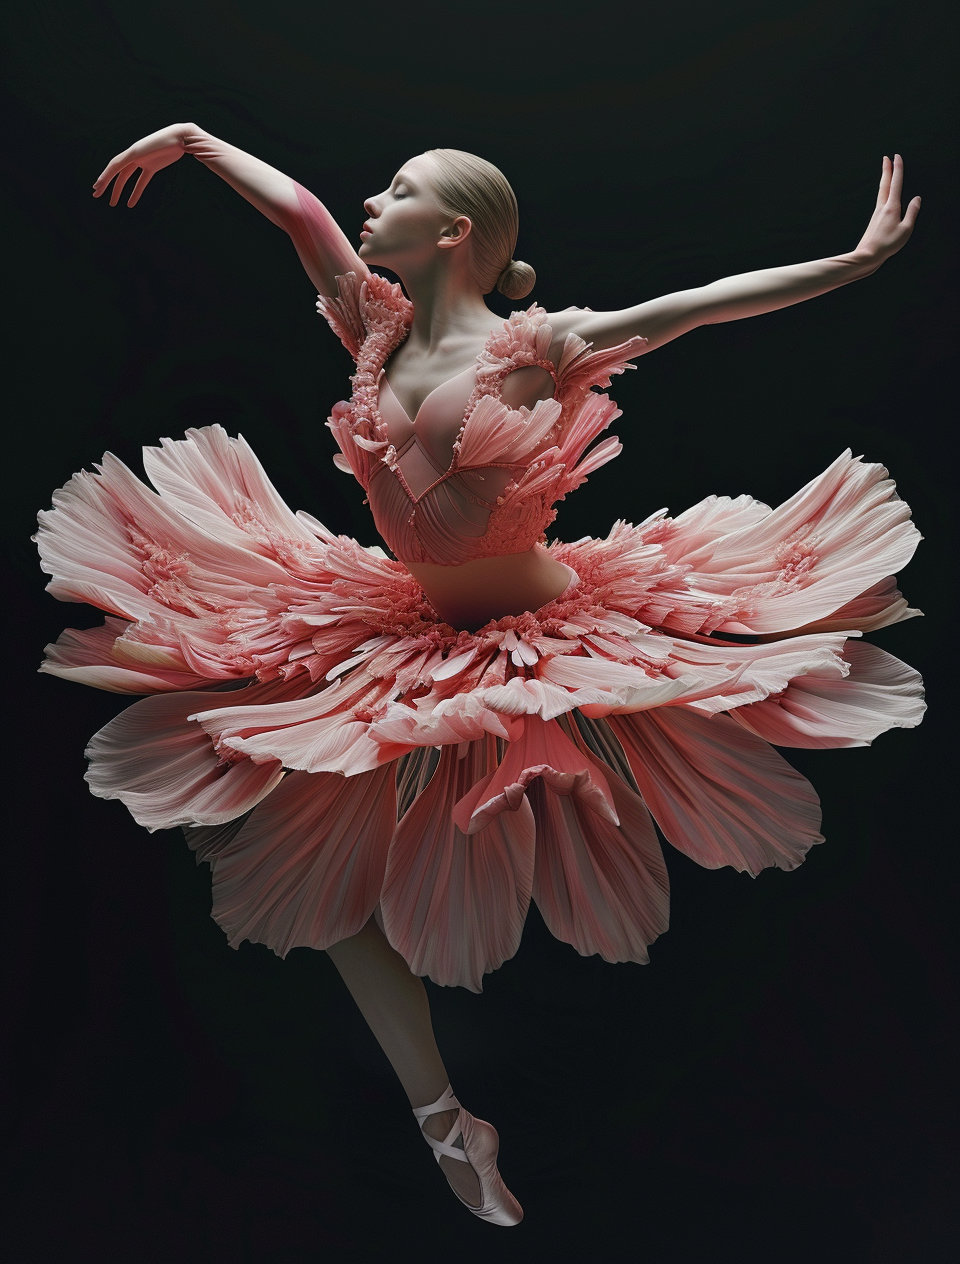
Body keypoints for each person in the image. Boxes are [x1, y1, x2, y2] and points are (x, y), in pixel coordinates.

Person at [34, 124, 924, 1226]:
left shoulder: (541, 347)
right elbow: (305, 213)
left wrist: (850, 263)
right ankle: (443, 1114)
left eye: (398, 189)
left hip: (551, 627)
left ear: (455, 229)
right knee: (281, 832)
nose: (374, 200)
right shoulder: (373, 323)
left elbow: (696, 304)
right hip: (406, 628)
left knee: (600, 803)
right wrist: (196, 144)